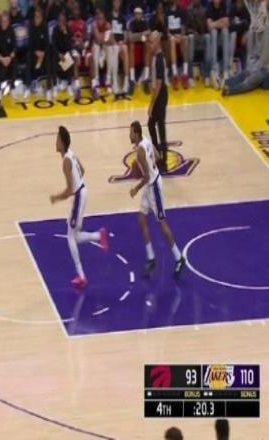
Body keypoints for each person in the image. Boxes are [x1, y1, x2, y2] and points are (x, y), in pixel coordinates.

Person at [50, 126, 109, 289]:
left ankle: (81, 276)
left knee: (70, 236)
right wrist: (77, 183)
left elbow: (70, 189)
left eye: (57, 139)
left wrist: (56, 198)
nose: (55, 142)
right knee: (74, 236)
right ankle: (99, 236)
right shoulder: (71, 154)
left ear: (62, 143)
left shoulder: (66, 161)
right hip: (82, 193)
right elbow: (82, 170)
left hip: (78, 196)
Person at [129, 120, 185, 278]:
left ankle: (179, 257)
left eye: (131, 132)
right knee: (141, 219)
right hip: (150, 185)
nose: (129, 135)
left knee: (162, 223)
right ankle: (151, 257)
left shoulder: (141, 150)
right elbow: (158, 156)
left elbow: (147, 176)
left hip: (153, 186)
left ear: (136, 134)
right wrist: (148, 164)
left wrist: (135, 188)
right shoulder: (146, 140)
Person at [222, 21, 268, 94]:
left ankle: (229, 89)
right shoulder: (264, 30)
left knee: (251, 79)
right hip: (261, 66)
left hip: (264, 69)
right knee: (247, 74)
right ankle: (225, 83)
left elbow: (263, 58)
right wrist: (253, 67)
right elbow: (259, 54)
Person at [148, 31, 168, 173]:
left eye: (151, 42)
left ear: (157, 42)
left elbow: (159, 83)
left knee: (159, 127)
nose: (150, 45)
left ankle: (163, 161)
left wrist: (152, 104)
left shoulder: (159, 59)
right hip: (159, 94)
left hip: (161, 95)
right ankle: (158, 155)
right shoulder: (156, 57)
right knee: (152, 124)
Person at [25, 8, 54, 100]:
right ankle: (28, 86)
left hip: (43, 53)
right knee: (28, 57)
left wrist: (43, 53)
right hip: (34, 52)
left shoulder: (45, 26)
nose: (36, 19)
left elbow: (47, 44)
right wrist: (36, 52)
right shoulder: (31, 26)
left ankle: (49, 88)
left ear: (41, 18)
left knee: (49, 60)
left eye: (38, 17)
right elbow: (29, 44)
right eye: (35, 17)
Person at [53, 11, 81, 99]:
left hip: (66, 53)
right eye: (59, 20)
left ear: (65, 21)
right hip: (57, 54)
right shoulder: (55, 30)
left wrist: (65, 33)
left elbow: (69, 45)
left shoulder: (68, 29)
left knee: (70, 57)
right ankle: (56, 83)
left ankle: (69, 84)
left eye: (62, 20)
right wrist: (59, 54)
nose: (61, 22)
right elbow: (53, 45)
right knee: (53, 56)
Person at [107, 0, 131, 94]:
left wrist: (123, 42)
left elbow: (125, 36)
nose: (117, 4)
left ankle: (126, 81)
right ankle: (115, 82)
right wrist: (114, 42)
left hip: (120, 43)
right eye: (115, 2)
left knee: (125, 48)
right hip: (111, 44)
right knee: (114, 48)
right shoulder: (108, 17)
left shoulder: (122, 18)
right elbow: (108, 33)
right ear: (112, 3)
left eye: (119, 2)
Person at [187, 0, 212, 86]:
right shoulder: (188, 10)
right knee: (190, 38)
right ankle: (190, 77)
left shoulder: (204, 11)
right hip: (192, 38)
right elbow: (186, 28)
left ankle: (207, 76)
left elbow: (206, 29)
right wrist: (193, 32)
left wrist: (201, 34)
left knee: (208, 37)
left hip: (202, 37)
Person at [206, 0, 230, 87]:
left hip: (222, 35)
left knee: (225, 31)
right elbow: (209, 26)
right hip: (213, 36)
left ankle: (225, 71)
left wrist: (214, 23)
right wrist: (220, 22)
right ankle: (215, 70)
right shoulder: (209, 6)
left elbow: (227, 23)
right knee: (214, 32)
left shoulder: (223, 5)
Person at [167, 0, 190, 89]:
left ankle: (185, 74)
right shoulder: (167, 11)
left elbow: (183, 27)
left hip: (179, 35)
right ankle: (175, 74)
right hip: (171, 36)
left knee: (184, 40)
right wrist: (170, 35)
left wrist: (181, 35)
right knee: (172, 41)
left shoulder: (182, 11)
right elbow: (166, 28)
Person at [0, 11, 17, 100]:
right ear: (0, 22)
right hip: (0, 57)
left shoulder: (11, 30)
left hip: (9, 57)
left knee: (14, 62)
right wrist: (2, 59)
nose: (4, 23)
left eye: (6, 21)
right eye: (3, 21)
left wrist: (9, 58)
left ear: (8, 22)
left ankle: (12, 88)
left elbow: (14, 47)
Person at [128, 7, 151, 90]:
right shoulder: (131, 23)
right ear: (134, 15)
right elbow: (130, 37)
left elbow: (148, 33)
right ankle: (132, 78)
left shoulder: (144, 23)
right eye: (136, 14)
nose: (137, 15)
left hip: (142, 43)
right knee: (131, 45)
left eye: (139, 14)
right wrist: (141, 35)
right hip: (134, 43)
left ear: (141, 15)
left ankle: (146, 78)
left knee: (147, 44)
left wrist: (138, 36)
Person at [89, 8, 110, 98]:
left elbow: (106, 40)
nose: (100, 20)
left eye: (102, 18)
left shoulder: (108, 25)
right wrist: (102, 36)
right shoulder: (94, 25)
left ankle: (108, 81)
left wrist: (102, 37)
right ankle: (95, 83)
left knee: (110, 50)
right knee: (95, 50)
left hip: (103, 48)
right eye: (98, 18)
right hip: (89, 49)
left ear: (105, 18)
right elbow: (97, 40)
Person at [228, 0, 251, 69]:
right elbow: (231, 26)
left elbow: (248, 24)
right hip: (234, 33)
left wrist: (244, 32)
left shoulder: (247, 7)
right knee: (233, 35)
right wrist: (241, 24)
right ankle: (230, 62)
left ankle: (249, 65)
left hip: (244, 33)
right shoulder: (232, 6)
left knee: (249, 34)